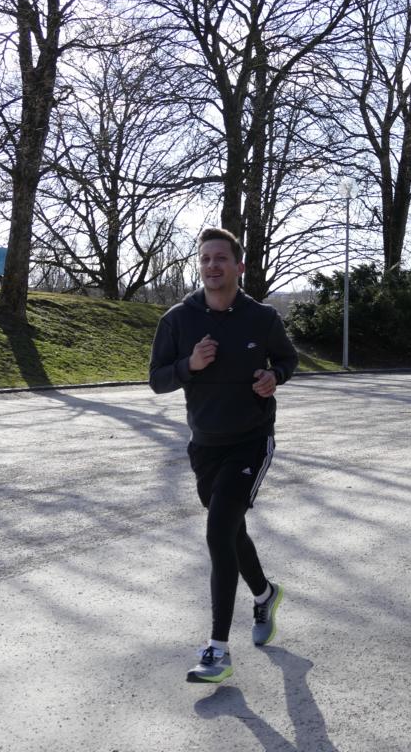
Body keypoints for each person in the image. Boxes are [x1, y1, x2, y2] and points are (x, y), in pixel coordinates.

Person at [149, 226, 297, 684]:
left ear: (239, 266)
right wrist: (189, 365)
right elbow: (157, 379)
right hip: (204, 444)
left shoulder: (262, 317)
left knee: (218, 531)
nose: (212, 265)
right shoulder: (178, 319)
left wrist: (274, 376)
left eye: (221, 258)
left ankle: (217, 650)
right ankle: (265, 594)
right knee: (231, 531)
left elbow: (287, 360)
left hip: (251, 439)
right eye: (205, 258)